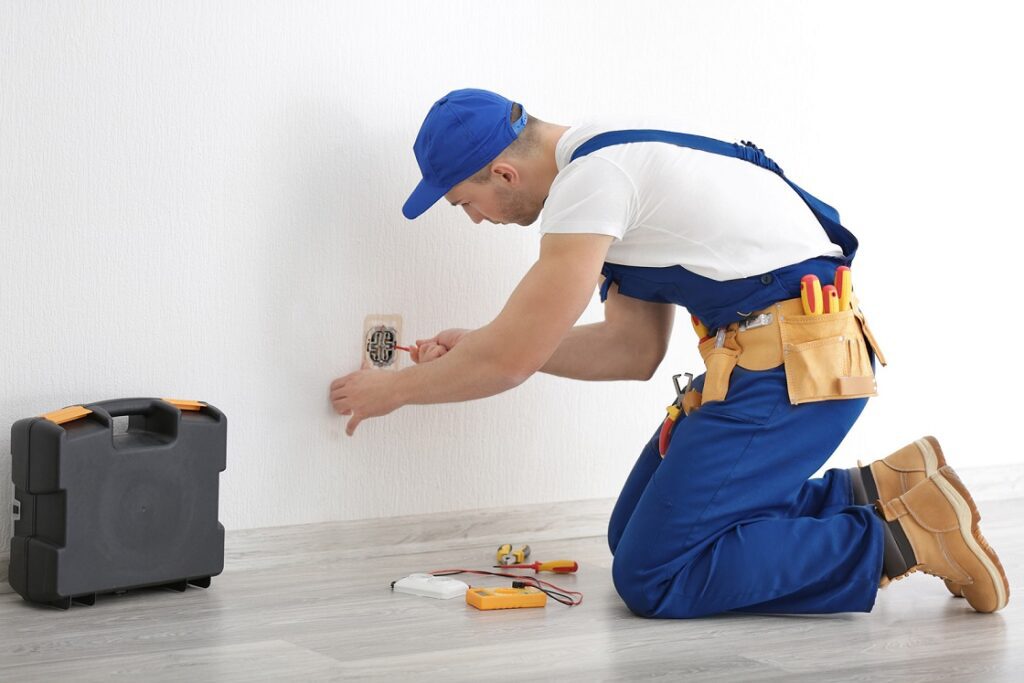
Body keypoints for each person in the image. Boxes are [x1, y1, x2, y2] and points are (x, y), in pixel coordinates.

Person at [329, 88, 1008, 617]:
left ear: (502, 172)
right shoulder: (607, 161)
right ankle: (875, 487)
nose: (475, 218)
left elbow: (513, 360)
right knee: (631, 535)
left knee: (654, 574)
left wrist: (390, 391)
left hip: (795, 374)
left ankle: (910, 537)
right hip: (779, 362)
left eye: (464, 202)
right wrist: (480, 342)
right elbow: (632, 349)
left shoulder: (589, 188)